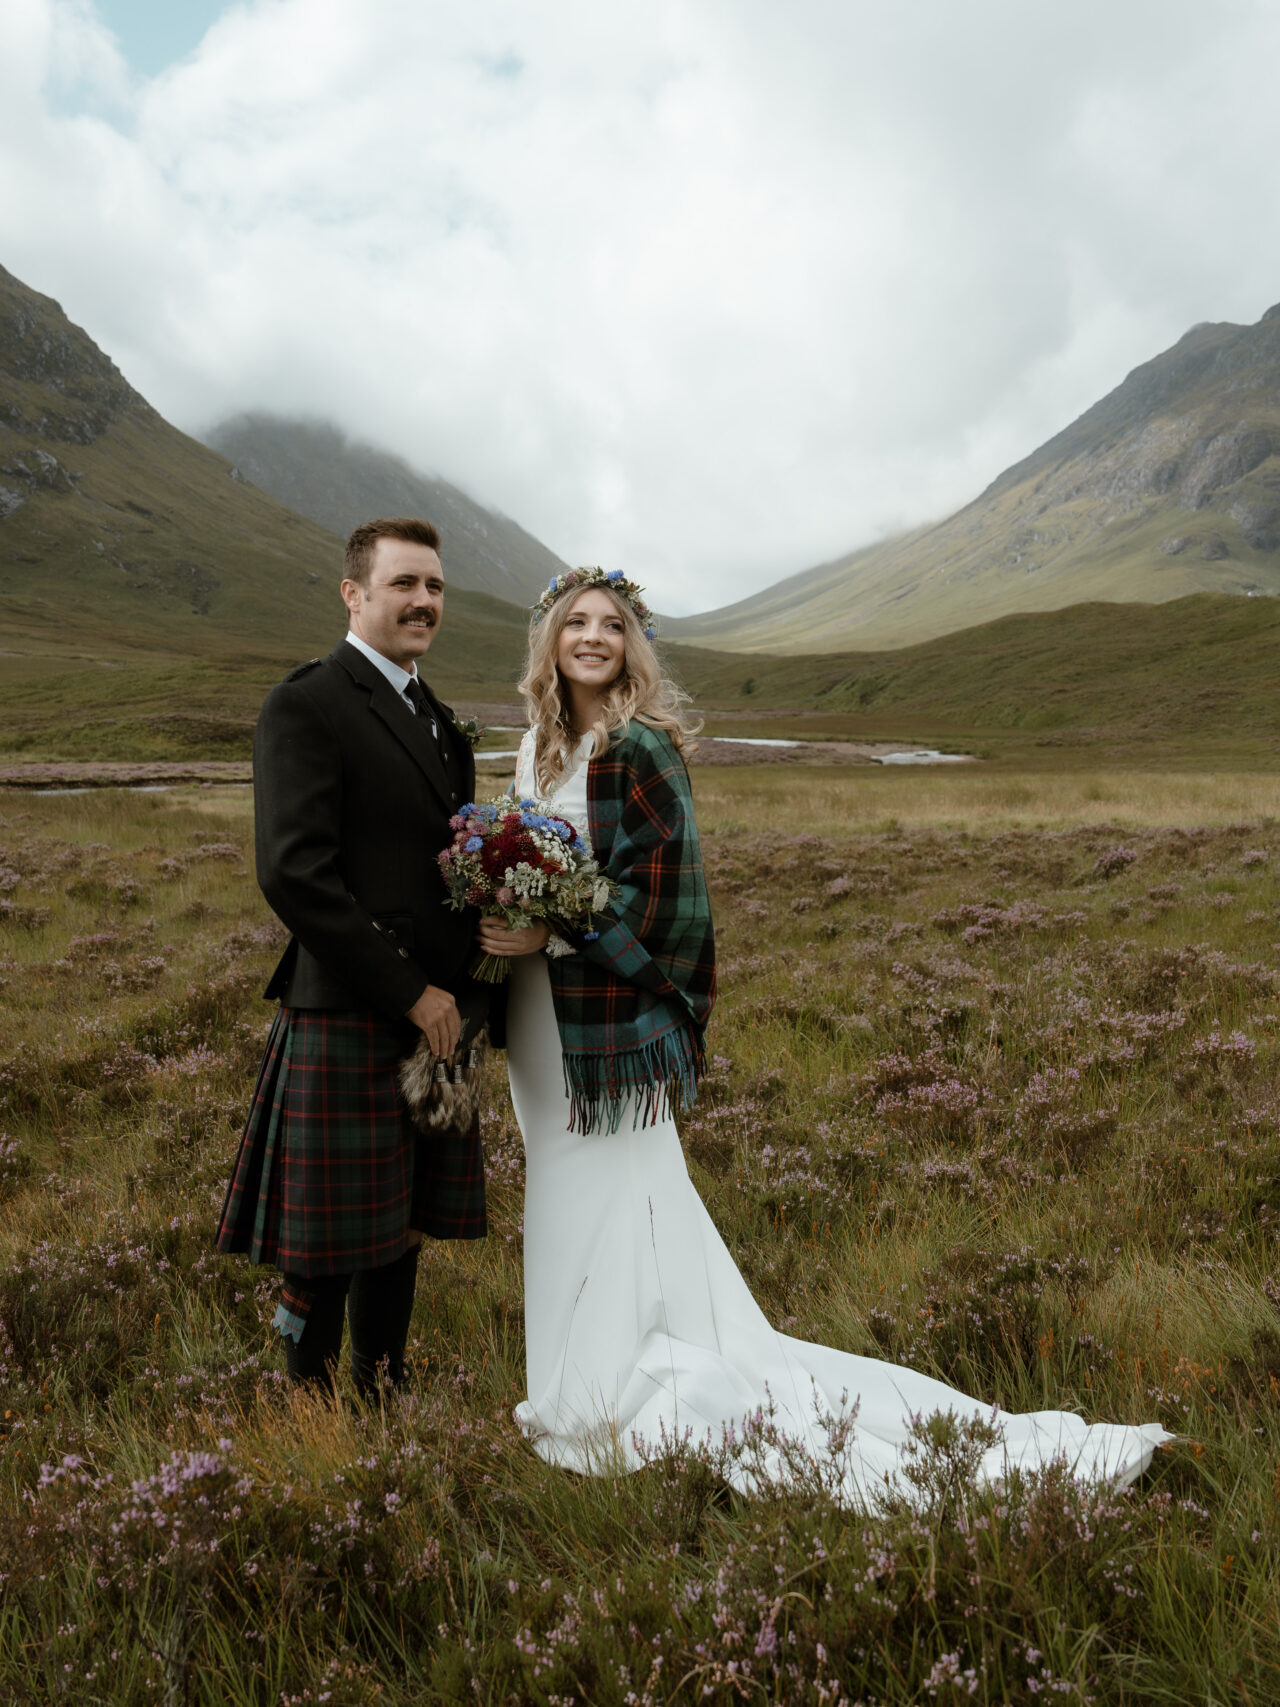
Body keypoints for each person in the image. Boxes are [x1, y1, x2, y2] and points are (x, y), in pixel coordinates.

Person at [476, 566, 1169, 1505]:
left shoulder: (640, 749)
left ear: (631, 646)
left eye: (612, 624)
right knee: (560, 1191)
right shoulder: (533, 747)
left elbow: (662, 896)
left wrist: (553, 925)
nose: (593, 637)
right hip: (537, 1020)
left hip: (605, 1027)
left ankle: (615, 1383)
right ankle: (572, 1377)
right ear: (550, 640)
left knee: (623, 1191)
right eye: (576, 623)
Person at [215, 517, 491, 1400]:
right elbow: (293, 872)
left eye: (435, 587)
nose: (422, 602)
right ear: (353, 593)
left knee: (399, 1224)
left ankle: (382, 1389)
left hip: (435, 1014)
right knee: (326, 1236)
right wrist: (410, 991)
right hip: (352, 1006)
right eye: (405, 583)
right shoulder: (309, 702)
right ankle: (307, 1403)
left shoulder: (442, 724)